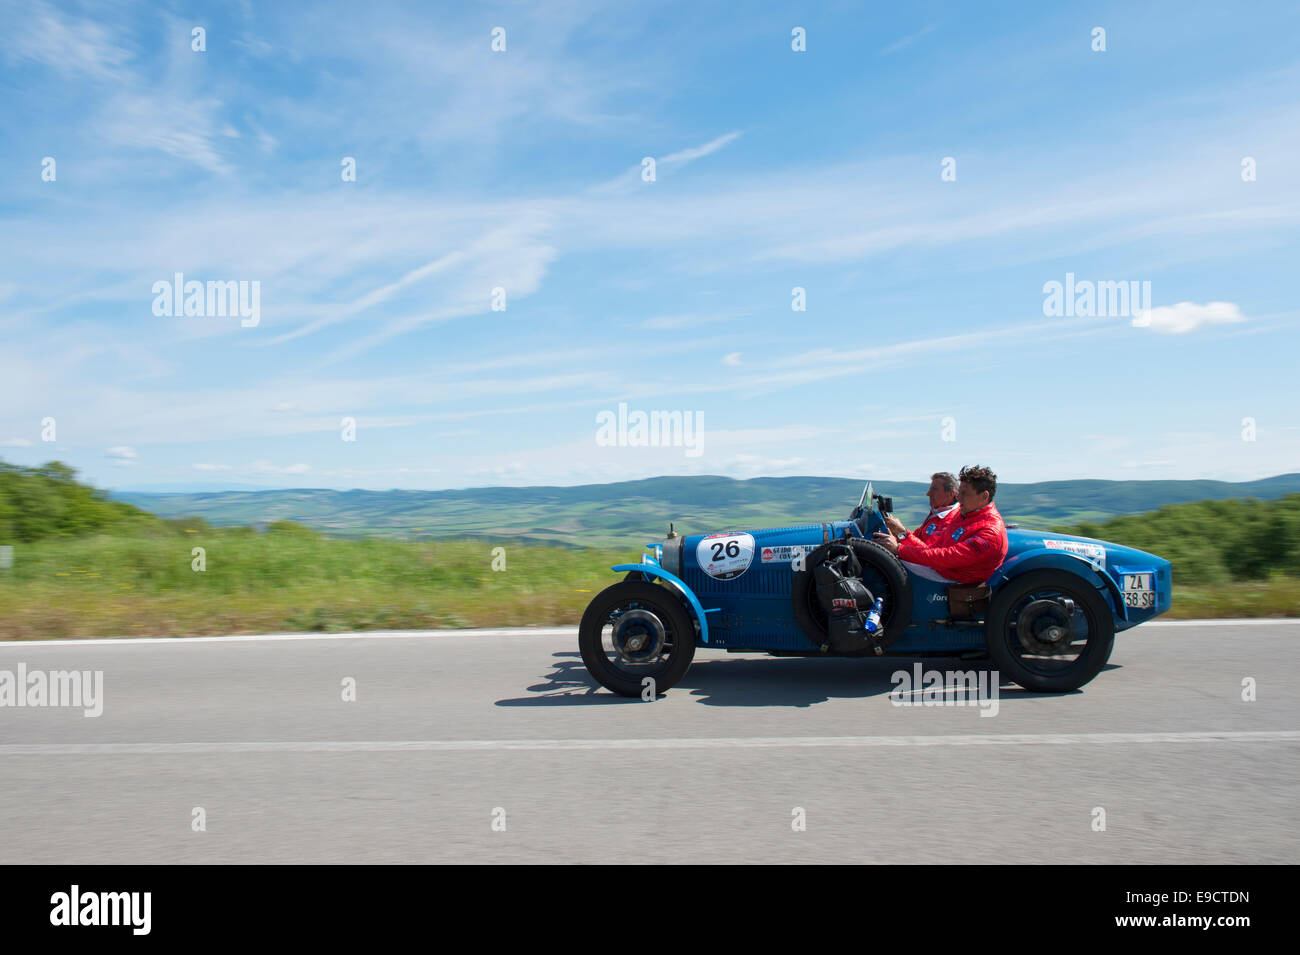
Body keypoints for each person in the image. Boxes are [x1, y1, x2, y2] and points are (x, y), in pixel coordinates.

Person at [874, 464, 1009, 585]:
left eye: (964, 493)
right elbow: (932, 549)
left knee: (888, 566)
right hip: (943, 570)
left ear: (984, 496)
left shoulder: (989, 531)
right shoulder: (965, 515)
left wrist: (899, 549)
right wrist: (901, 536)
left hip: (955, 580)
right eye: (959, 492)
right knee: (887, 558)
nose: (958, 498)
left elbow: (946, 557)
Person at [882, 471, 959, 545]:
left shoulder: (951, 520)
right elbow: (916, 537)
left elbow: (927, 553)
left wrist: (901, 532)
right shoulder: (936, 513)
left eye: (934, 489)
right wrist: (895, 534)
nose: (928, 493)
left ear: (950, 494)